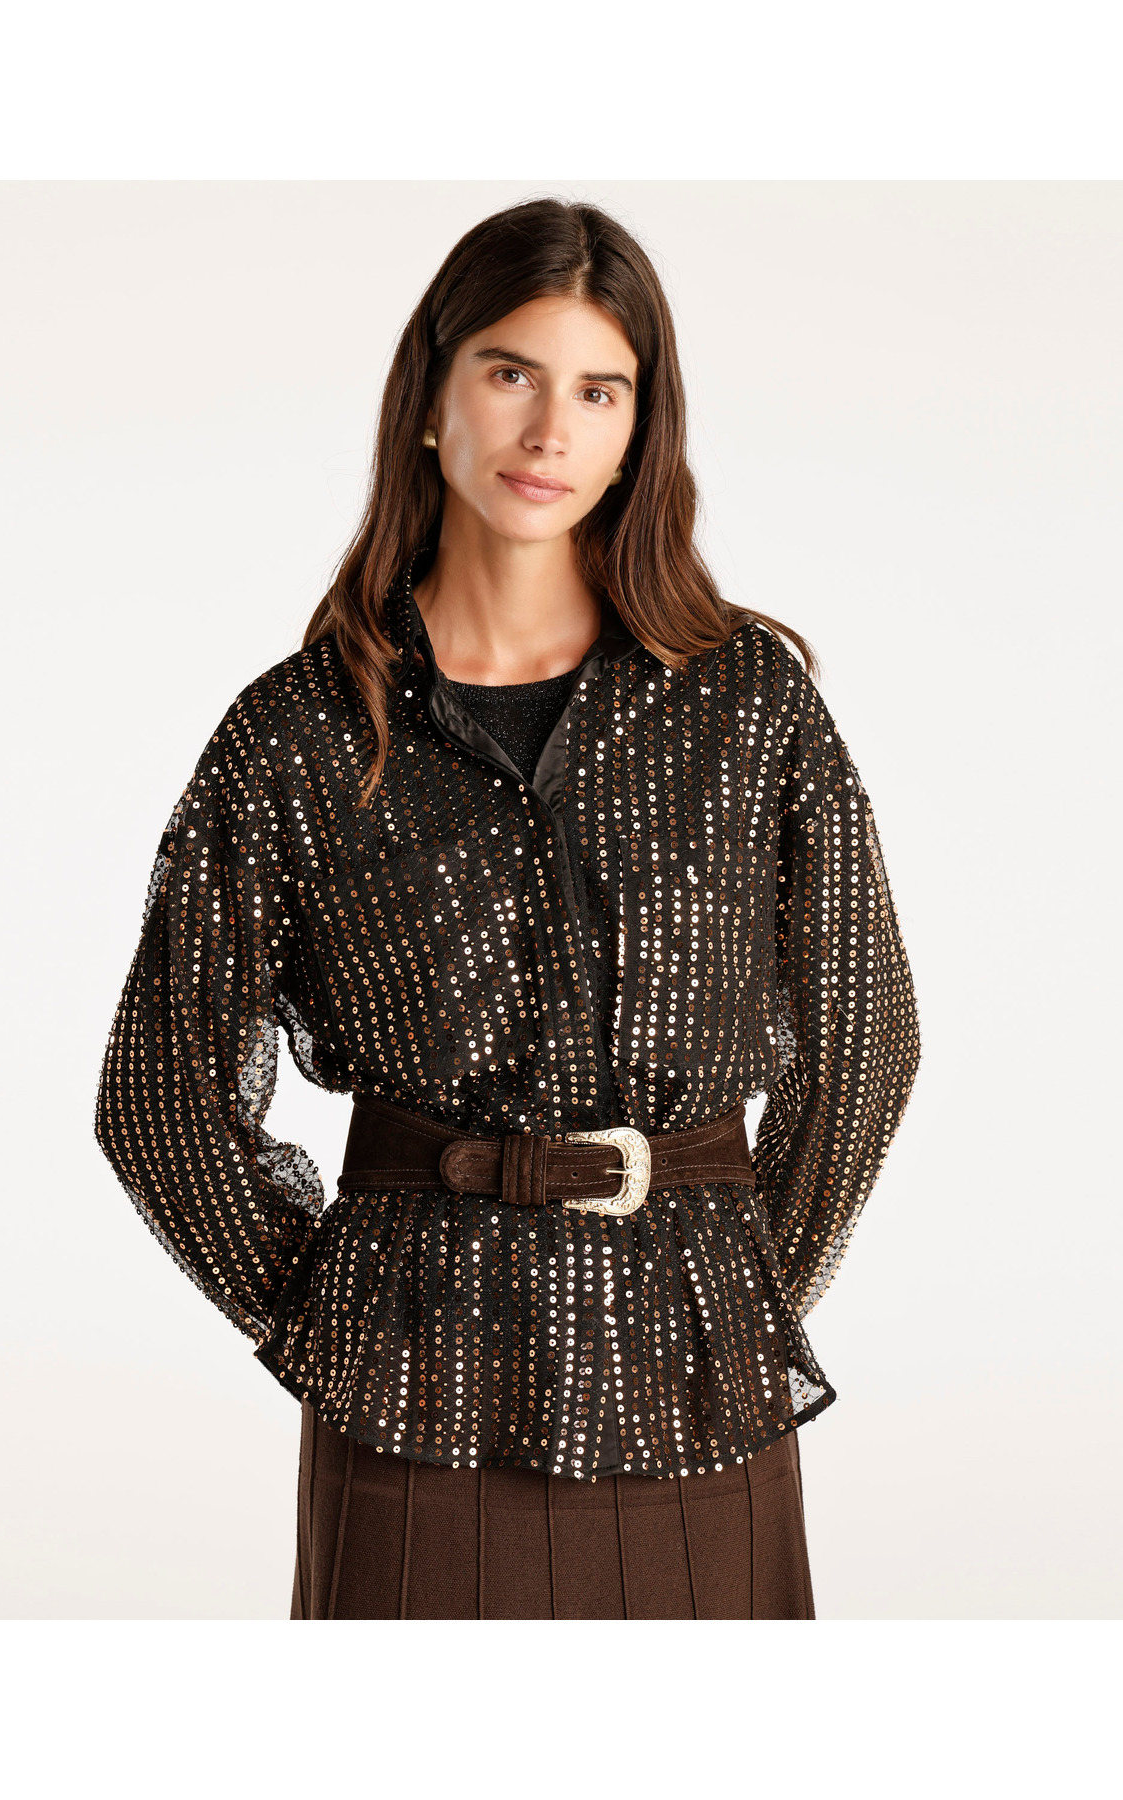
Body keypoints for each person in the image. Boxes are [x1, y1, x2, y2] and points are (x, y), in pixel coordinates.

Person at [95, 198, 921, 1619]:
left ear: (640, 429)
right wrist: (340, 1316)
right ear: (431, 398)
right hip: (412, 1396)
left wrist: (734, 1293)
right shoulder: (298, 736)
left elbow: (866, 1043)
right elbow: (162, 1096)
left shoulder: (750, 705)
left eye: (599, 390)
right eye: (510, 372)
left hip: (696, 1387)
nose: (549, 431)